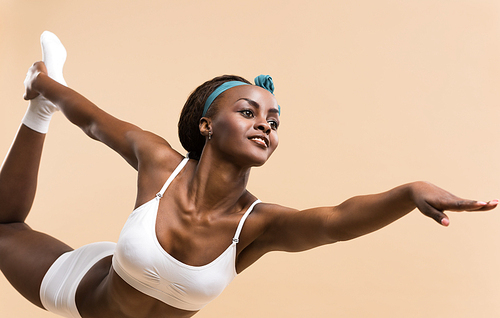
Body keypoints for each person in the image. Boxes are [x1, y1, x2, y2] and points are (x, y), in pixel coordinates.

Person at [0, 31, 496, 318]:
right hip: (78, 290)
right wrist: (43, 84)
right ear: (207, 125)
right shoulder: (160, 165)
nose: (265, 124)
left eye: (274, 121)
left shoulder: (256, 226)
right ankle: (39, 109)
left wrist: (409, 192)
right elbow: (92, 121)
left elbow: (337, 220)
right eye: (249, 112)